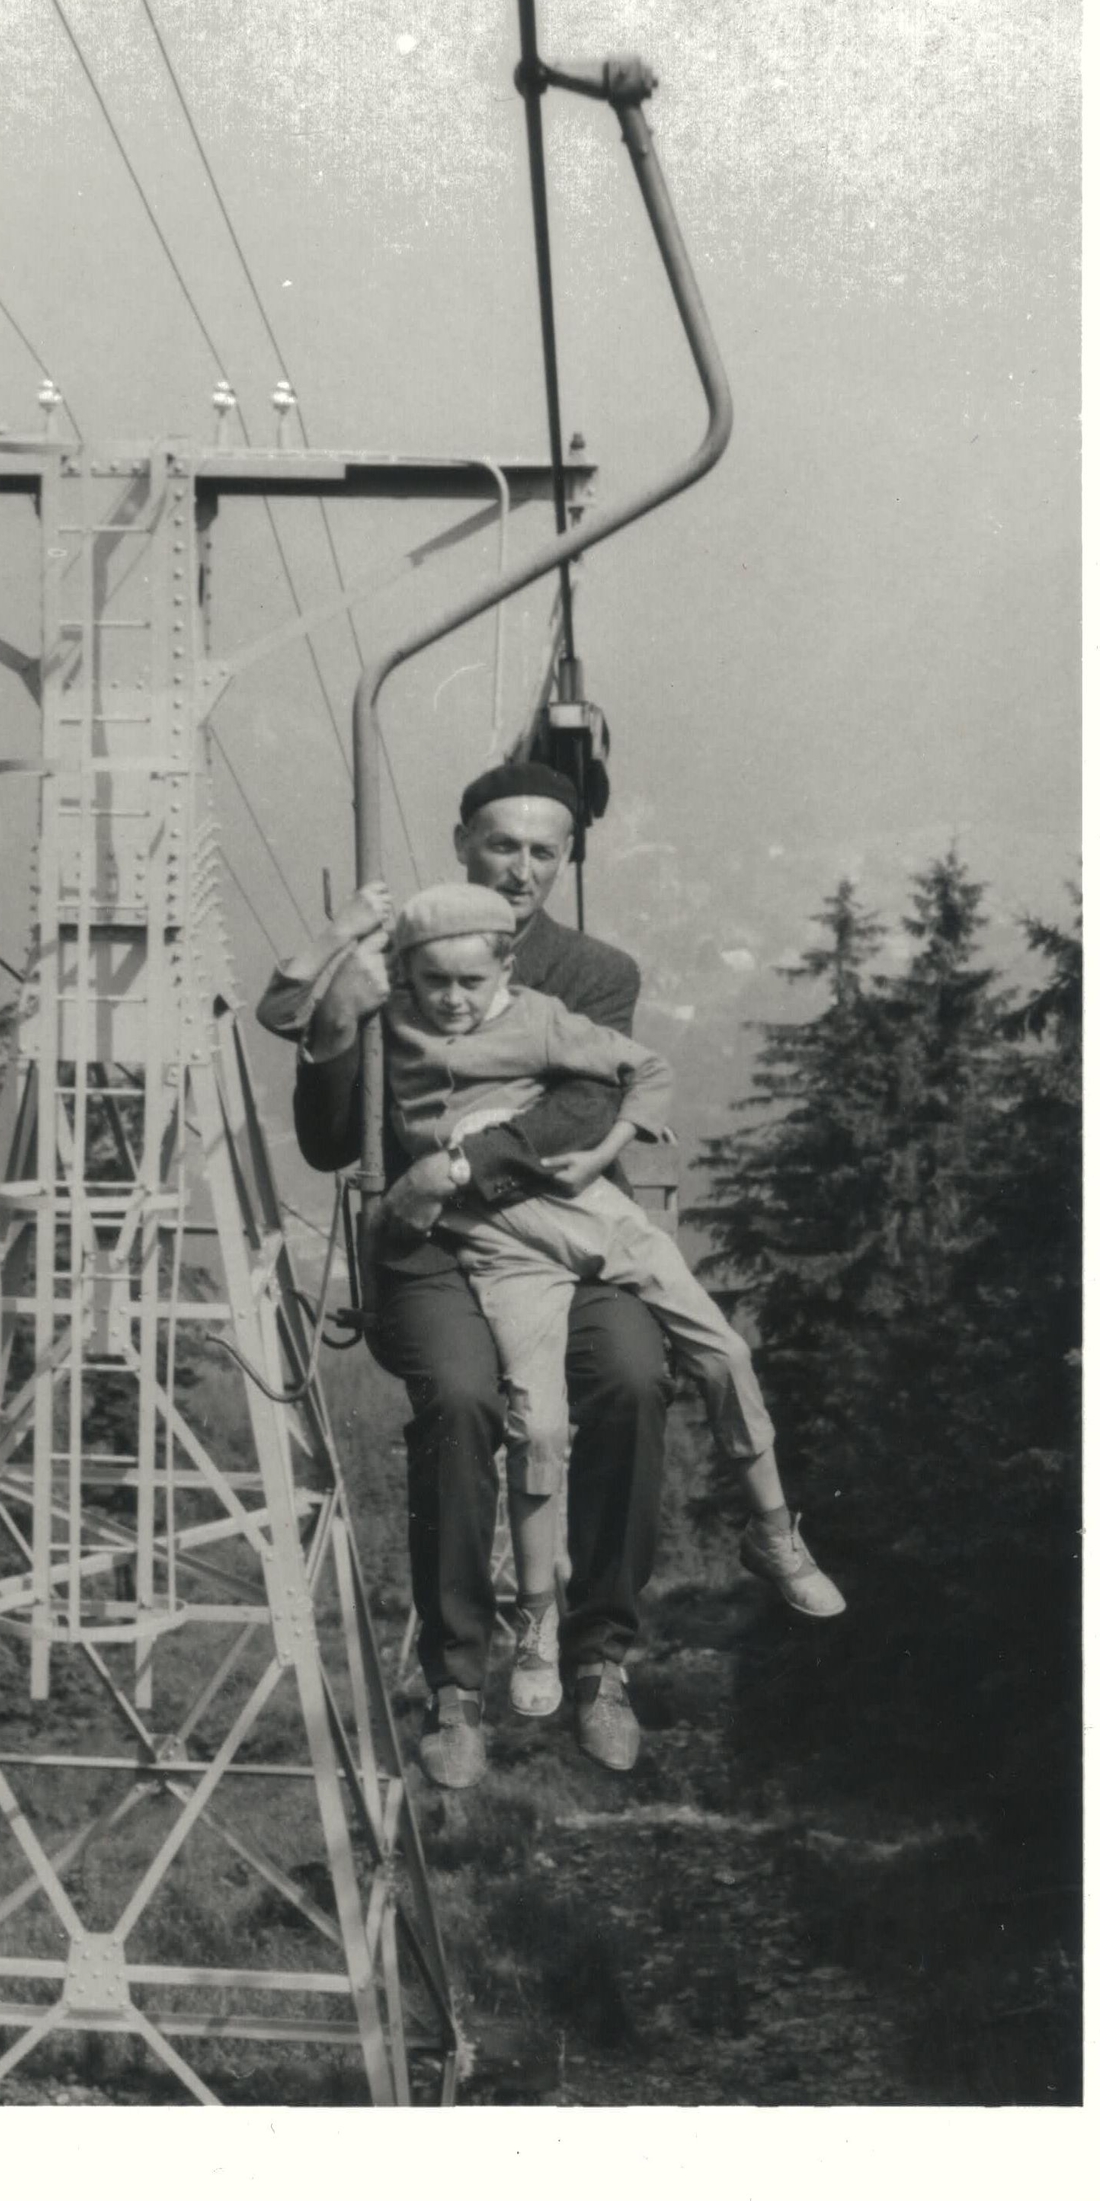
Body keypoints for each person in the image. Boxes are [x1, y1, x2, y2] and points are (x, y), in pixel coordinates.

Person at [261, 763, 669, 1786]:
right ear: (461, 844)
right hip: (435, 1247)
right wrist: (335, 1026)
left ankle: (599, 1657)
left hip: (559, 1223)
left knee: (630, 1376)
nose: (521, 868)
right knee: (458, 1396)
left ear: (564, 860)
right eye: (501, 845)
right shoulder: (405, 959)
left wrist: (450, 1166)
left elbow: (581, 1107)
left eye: (542, 851)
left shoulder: (593, 972)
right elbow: (329, 1142)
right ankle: (456, 1685)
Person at [374, 880, 845, 1721]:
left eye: (470, 982)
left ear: (505, 972)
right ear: (405, 975)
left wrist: (606, 1151)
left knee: (723, 1353)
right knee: (538, 1428)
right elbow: (302, 1011)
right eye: (432, 981)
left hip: (597, 1217)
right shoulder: (395, 1022)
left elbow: (644, 1069)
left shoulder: (539, 1020)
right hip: (502, 1249)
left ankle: (773, 1532)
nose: (451, 999)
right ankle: (538, 1624)